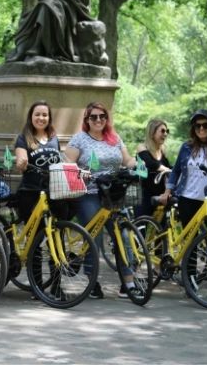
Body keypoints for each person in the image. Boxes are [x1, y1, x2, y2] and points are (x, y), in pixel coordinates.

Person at [64, 102, 136, 299]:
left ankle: (128, 282)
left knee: (122, 234)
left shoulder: (114, 138)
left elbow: (127, 160)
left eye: (102, 116)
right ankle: (92, 281)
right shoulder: (80, 139)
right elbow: (68, 162)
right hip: (88, 192)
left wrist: (136, 164)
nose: (98, 120)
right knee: (94, 234)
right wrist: (81, 171)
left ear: (107, 118)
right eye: (93, 116)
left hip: (112, 192)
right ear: (87, 119)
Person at [6, 0, 93, 63]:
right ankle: (22, 48)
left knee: (46, 7)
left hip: (69, 8)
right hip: (51, 4)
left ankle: (38, 48)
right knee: (27, 16)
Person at [161, 109, 207, 227]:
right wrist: (167, 191)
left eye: (205, 125)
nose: (201, 129)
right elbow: (176, 171)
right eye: (197, 126)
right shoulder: (186, 147)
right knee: (190, 240)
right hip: (187, 199)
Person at [136, 119, 172, 216]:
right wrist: (168, 170)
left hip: (160, 194)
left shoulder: (163, 150)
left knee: (161, 228)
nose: (165, 134)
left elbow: (169, 168)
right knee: (141, 227)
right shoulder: (142, 147)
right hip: (144, 195)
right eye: (162, 131)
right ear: (152, 133)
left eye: (167, 131)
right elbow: (150, 164)